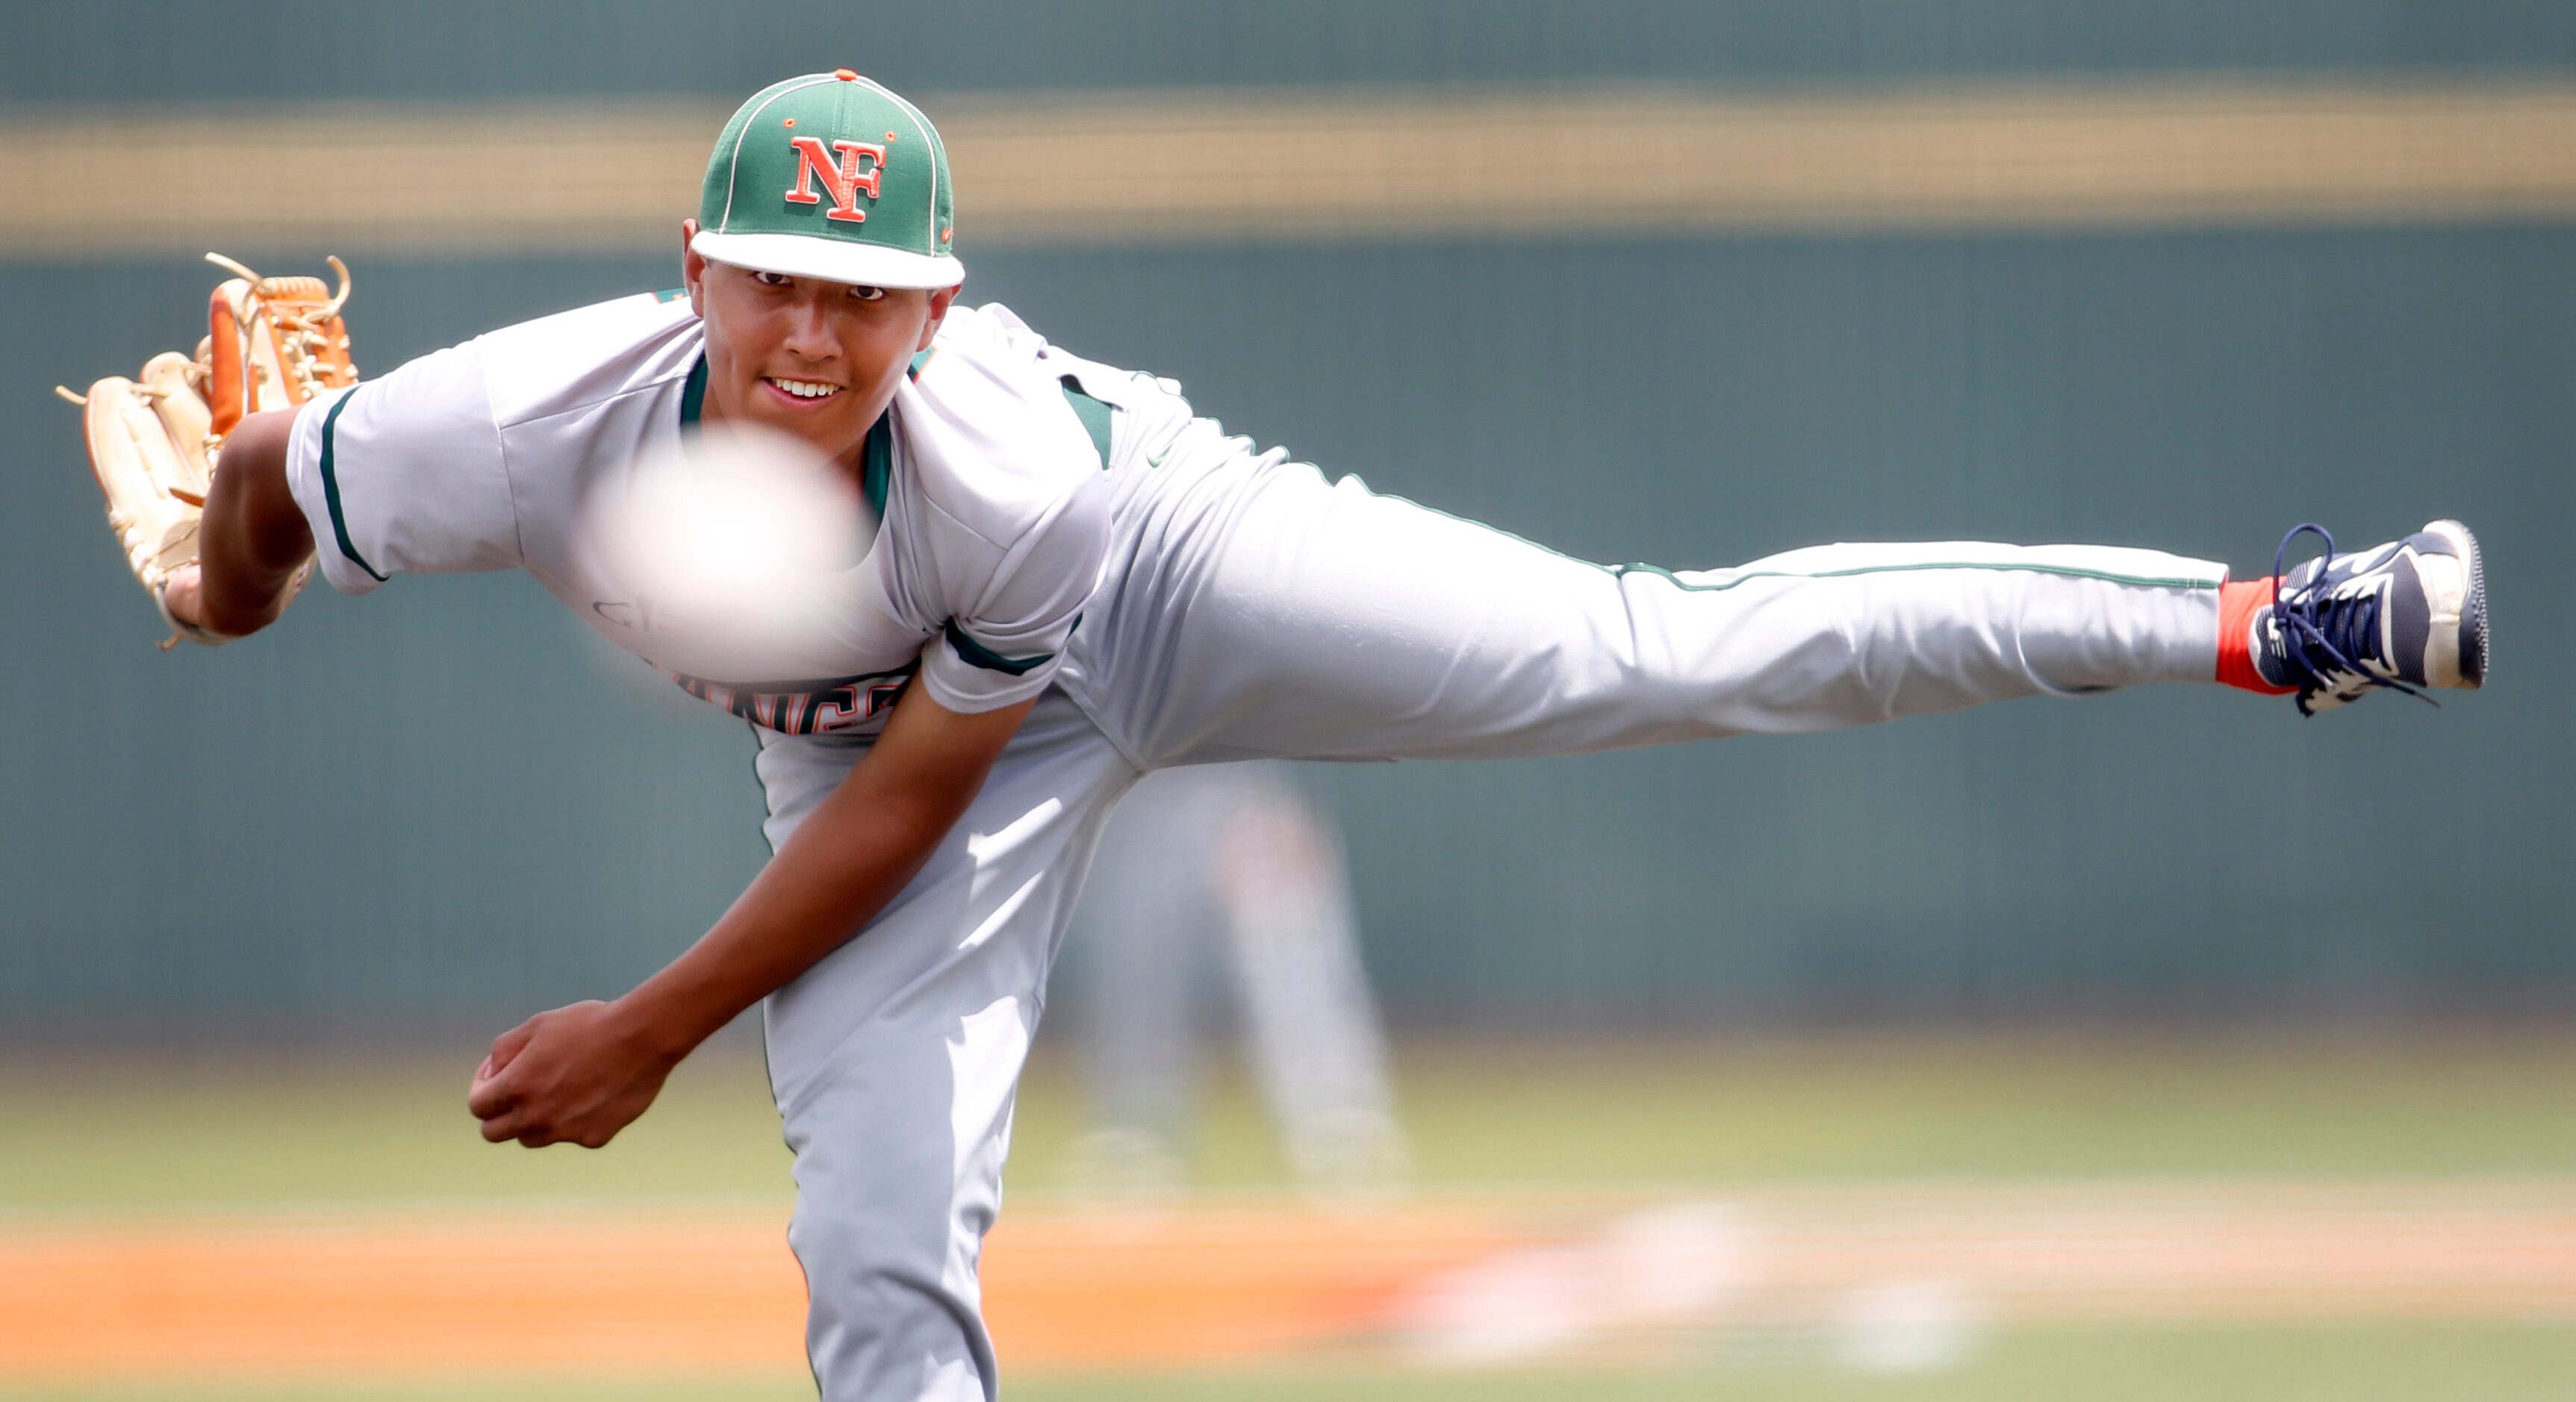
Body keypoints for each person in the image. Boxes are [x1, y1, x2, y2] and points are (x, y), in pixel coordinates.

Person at [116, 70, 2486, 1401]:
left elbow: (934, 792)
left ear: (940, 302)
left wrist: (653, 1022)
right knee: (874, 1252)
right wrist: (224, 598)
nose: (819, 325)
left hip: (1152, 573)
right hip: (867, 762)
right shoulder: (508, 422)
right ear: (694, 272)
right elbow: (255, 489)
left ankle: (2268, 618)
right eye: (779, 280)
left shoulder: (1000, 456)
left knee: (1651, 649)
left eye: (871, 288)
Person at [1060, 761, 1408, 1199]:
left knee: (1291, 967)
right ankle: (1136, 1143)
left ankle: (1341, 1139)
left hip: (1247, 787)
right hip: (1135, 796)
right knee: (1138, 974)